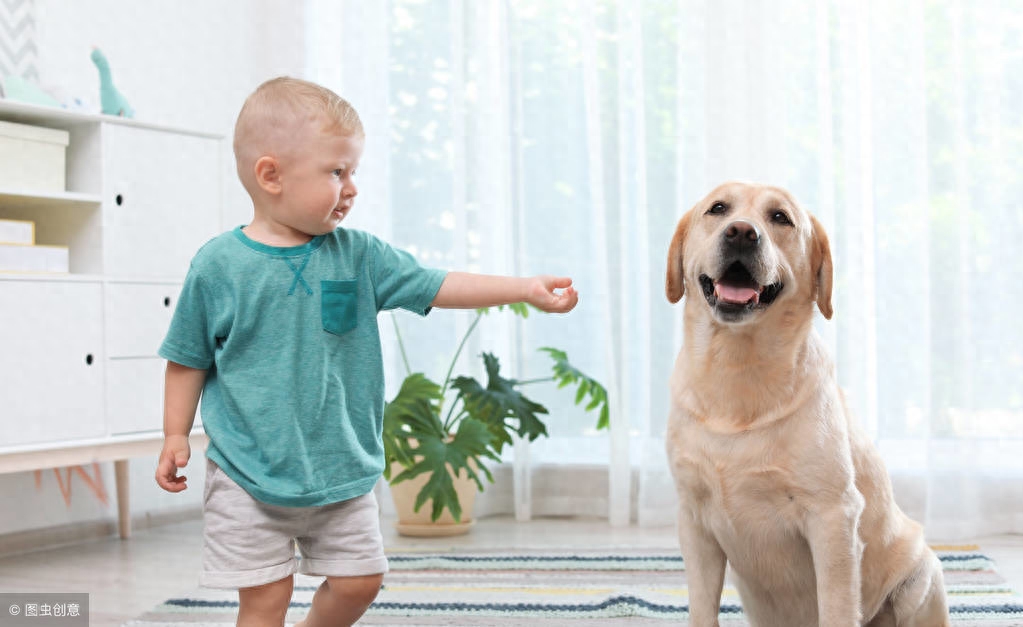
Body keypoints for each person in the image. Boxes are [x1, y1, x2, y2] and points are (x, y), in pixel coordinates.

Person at [154, 76, 578, 627]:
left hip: (341, 468)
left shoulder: (361, 256)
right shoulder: (217, 266)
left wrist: (521, 288)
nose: (352, 187)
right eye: (337, 172)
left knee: (360, 581)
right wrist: (173, 434)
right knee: (265, 599)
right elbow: (187, 357)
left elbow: (437, 283)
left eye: (353, 171)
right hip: (247, 474)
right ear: (271, 175)